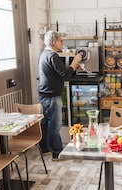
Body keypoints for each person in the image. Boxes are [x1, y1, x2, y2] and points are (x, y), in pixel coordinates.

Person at [38, 30, 82, 160]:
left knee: (45, 122)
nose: (62, 43)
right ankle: (57, 153)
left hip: (44, 93)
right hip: (52, 95)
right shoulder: (53, 56)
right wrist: (74, 62)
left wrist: (73, 68)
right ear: (54, 42)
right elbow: (65, 74)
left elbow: (59, 72)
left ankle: (44, 148)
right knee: (55, 125)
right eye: (61, 41)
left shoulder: (44, 54)